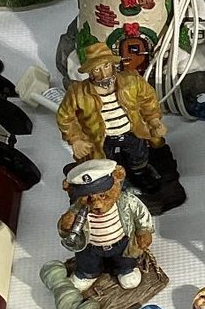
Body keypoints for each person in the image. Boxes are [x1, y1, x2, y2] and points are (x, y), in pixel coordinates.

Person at [56, 43, 172, 201]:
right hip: (100, 138)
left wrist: (154, 121)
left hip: (132, 131)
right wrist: (76, 140)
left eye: (106, 66)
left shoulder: (132, 81)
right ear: (90, 72)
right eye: (96, 69)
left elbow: (148, 100)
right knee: (104, 163)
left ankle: (140, 174)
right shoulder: (78, 93)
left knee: (138, 155)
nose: (103, 74)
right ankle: (115, 183)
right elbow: (65, 117)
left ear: (113, 64)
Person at [57, 159, 153, 292]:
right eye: (89, 198)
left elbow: (141, 213)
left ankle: (126, 270)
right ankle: (87, 273)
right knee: (86, 260)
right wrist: (66, 225)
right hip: (90, 246)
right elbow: (65, 227)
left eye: (102, 196)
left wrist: (144, 231)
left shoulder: (125, 200)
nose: (96, 204)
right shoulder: (78, 208)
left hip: (121, 243)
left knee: (125, 258)